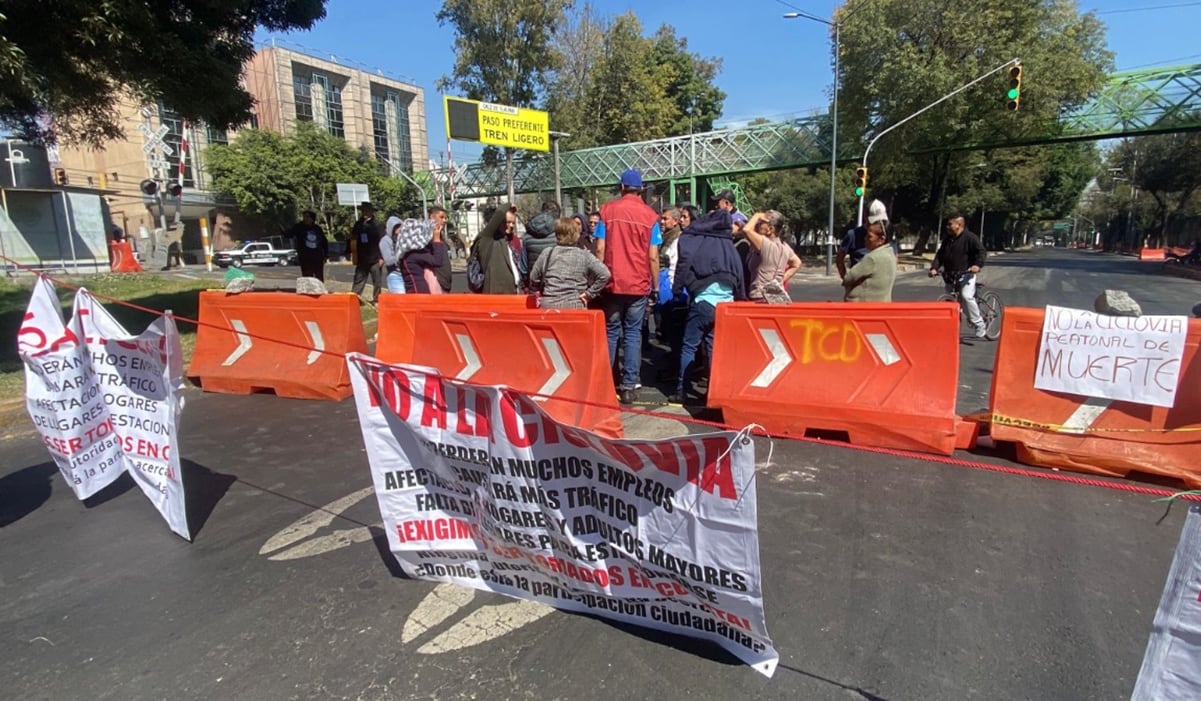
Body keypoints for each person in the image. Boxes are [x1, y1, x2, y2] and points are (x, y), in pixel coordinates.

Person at [597, 169, 661, 405]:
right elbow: (653, 256)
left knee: (611, 332)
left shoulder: (607, 211)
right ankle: (628, 385)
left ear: (622, 187)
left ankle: (606, 380)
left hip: (612, 283)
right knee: (633, 334)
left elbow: (600, 249)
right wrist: (655, 287)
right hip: (638, 284)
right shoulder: (650, 216)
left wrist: (599, 279)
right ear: (641, 189)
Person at [669, 209, 746, 404]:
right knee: (713, 346)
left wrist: (677, 288)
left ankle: (682, 390)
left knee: (689, 345)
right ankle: (714, 391)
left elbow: (684, 264)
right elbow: (739, 273)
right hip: (725, 304)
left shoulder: (698, 240)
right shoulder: (728, 245)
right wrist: (741, 299)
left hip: (703, 299)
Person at [528, 217, 611, 309]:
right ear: (576, 234)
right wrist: (589, 294)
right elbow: (605, 274)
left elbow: (533, 277)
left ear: (557, 234)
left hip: (549, 306)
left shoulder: (547, 253)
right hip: (575, 305)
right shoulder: (584, 255)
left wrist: (537, 290)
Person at [930, 214, 989, 338]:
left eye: (950, 224)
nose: (947, 226)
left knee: (966, 297)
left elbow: (981, 252)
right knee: (950, 301)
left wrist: (977, 265)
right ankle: (949, 328)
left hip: (966, 274)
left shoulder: (970, 237)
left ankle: (979, 323)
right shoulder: (948, 240)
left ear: (959, 225)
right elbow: (940, 255)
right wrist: (934, 268)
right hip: (950, 276)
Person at [842, 205, 897, 302]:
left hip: (862, 307)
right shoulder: (890, 252)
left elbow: (848, 278)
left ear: (881, 240)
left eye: (869, 236)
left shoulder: (872, 258)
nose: (865, 239)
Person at [744, 210, 802, 302]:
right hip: (777, 297)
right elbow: (797, 263)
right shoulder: (785, 247)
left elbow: (746, 230)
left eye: (760, 222)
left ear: (770, 229)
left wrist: (757, 215)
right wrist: (780, 280)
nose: (757, 224)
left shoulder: (764, 244)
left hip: (760, 296)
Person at [469, 204, 523, 294]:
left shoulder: (507, 241)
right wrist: (509, 205)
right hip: (494, 294)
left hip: (512, 292)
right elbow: (500, 213)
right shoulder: (486, 239)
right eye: (507, 222)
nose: (511, 226)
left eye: (513, 222)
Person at [350, 201, 384, 304]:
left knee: (377, 281)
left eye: (367, 211)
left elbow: (383, 241)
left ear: (371, 212)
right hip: (362, 257)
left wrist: (382, 257)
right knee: (359, 279)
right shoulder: (358, 224)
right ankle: (354, 299)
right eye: (363, 211)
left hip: (375, 258)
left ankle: (377, 300)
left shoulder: (377, 225)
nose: (365, 213)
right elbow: (353, 239)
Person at [523, 201, 559, 281]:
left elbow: (523, 268)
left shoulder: (527, 237)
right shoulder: (559, 235)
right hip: (555, 285)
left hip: (534, 286)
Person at [289, 210, 328, 281]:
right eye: (304, 217)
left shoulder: (317, 229)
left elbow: (324, 242)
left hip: (317, 256)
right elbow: (290, 234)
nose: (305, 219)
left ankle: (319, 290)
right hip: (305, 256)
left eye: (307, 217)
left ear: (312, 219)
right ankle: (308, 290)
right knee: (307, 277)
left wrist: (326, 255)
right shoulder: (299, 227)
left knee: (319, 276)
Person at [429, 206, 453, 293]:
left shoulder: (440, 235)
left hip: (445, 284)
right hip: (437, 285)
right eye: (441, 217)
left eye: (446, 218)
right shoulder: (428, 236)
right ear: (432, 217)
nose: (444, 220)